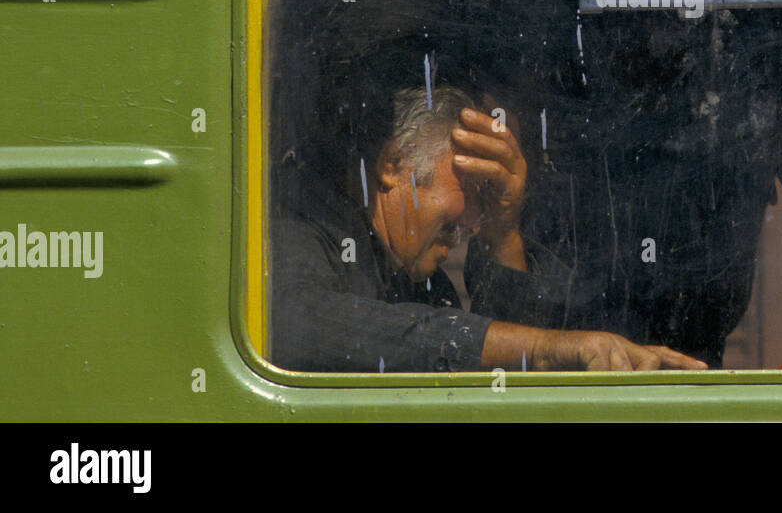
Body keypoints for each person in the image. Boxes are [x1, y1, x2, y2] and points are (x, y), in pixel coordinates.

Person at [270, 85, 706, 372]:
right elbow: (296, 325)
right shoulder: (301, 225)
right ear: (394, 164)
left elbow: (510, 382)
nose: (474, 222)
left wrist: (503, 235)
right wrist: (541, 347)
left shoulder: (425, 285)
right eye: (474, 187)